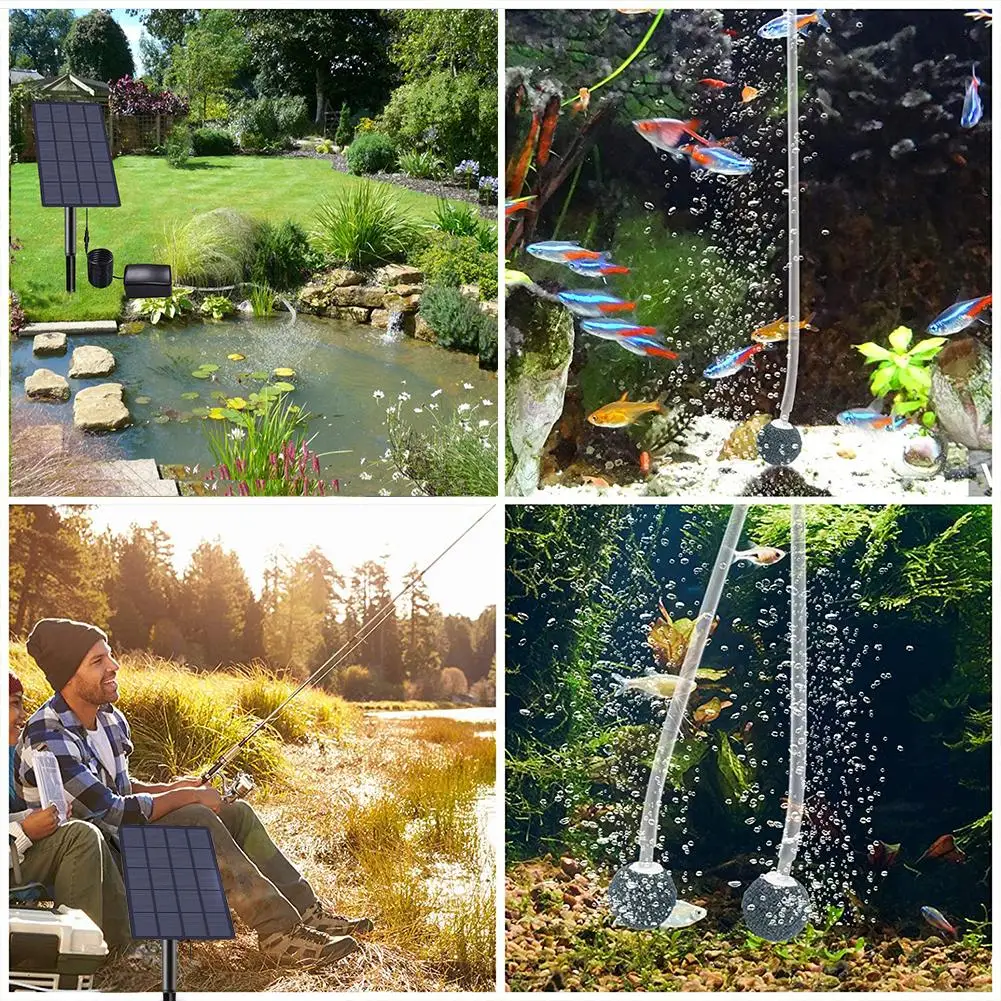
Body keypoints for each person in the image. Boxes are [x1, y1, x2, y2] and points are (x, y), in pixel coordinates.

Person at [15, 619, 374, 967]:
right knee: (196, 817)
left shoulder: (109, 718)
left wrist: (176, 787)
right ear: (68, 677)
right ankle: (280, 933)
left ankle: (308, 911)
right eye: (98, 661)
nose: (114, 665)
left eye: (109, 654)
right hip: (103, 866)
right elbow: (110, 812)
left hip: (126, 842)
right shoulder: (48, 733)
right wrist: (186, 799)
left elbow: (124, 788)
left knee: (237, 814)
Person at [9, 669, 132, 952]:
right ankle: (82, 951)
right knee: (80, 835)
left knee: (87, 826)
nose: (23, 713)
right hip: (12, 855)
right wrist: (24, 828)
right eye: (14, 703)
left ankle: (121, 947)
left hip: (19, 852)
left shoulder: (12, 752)